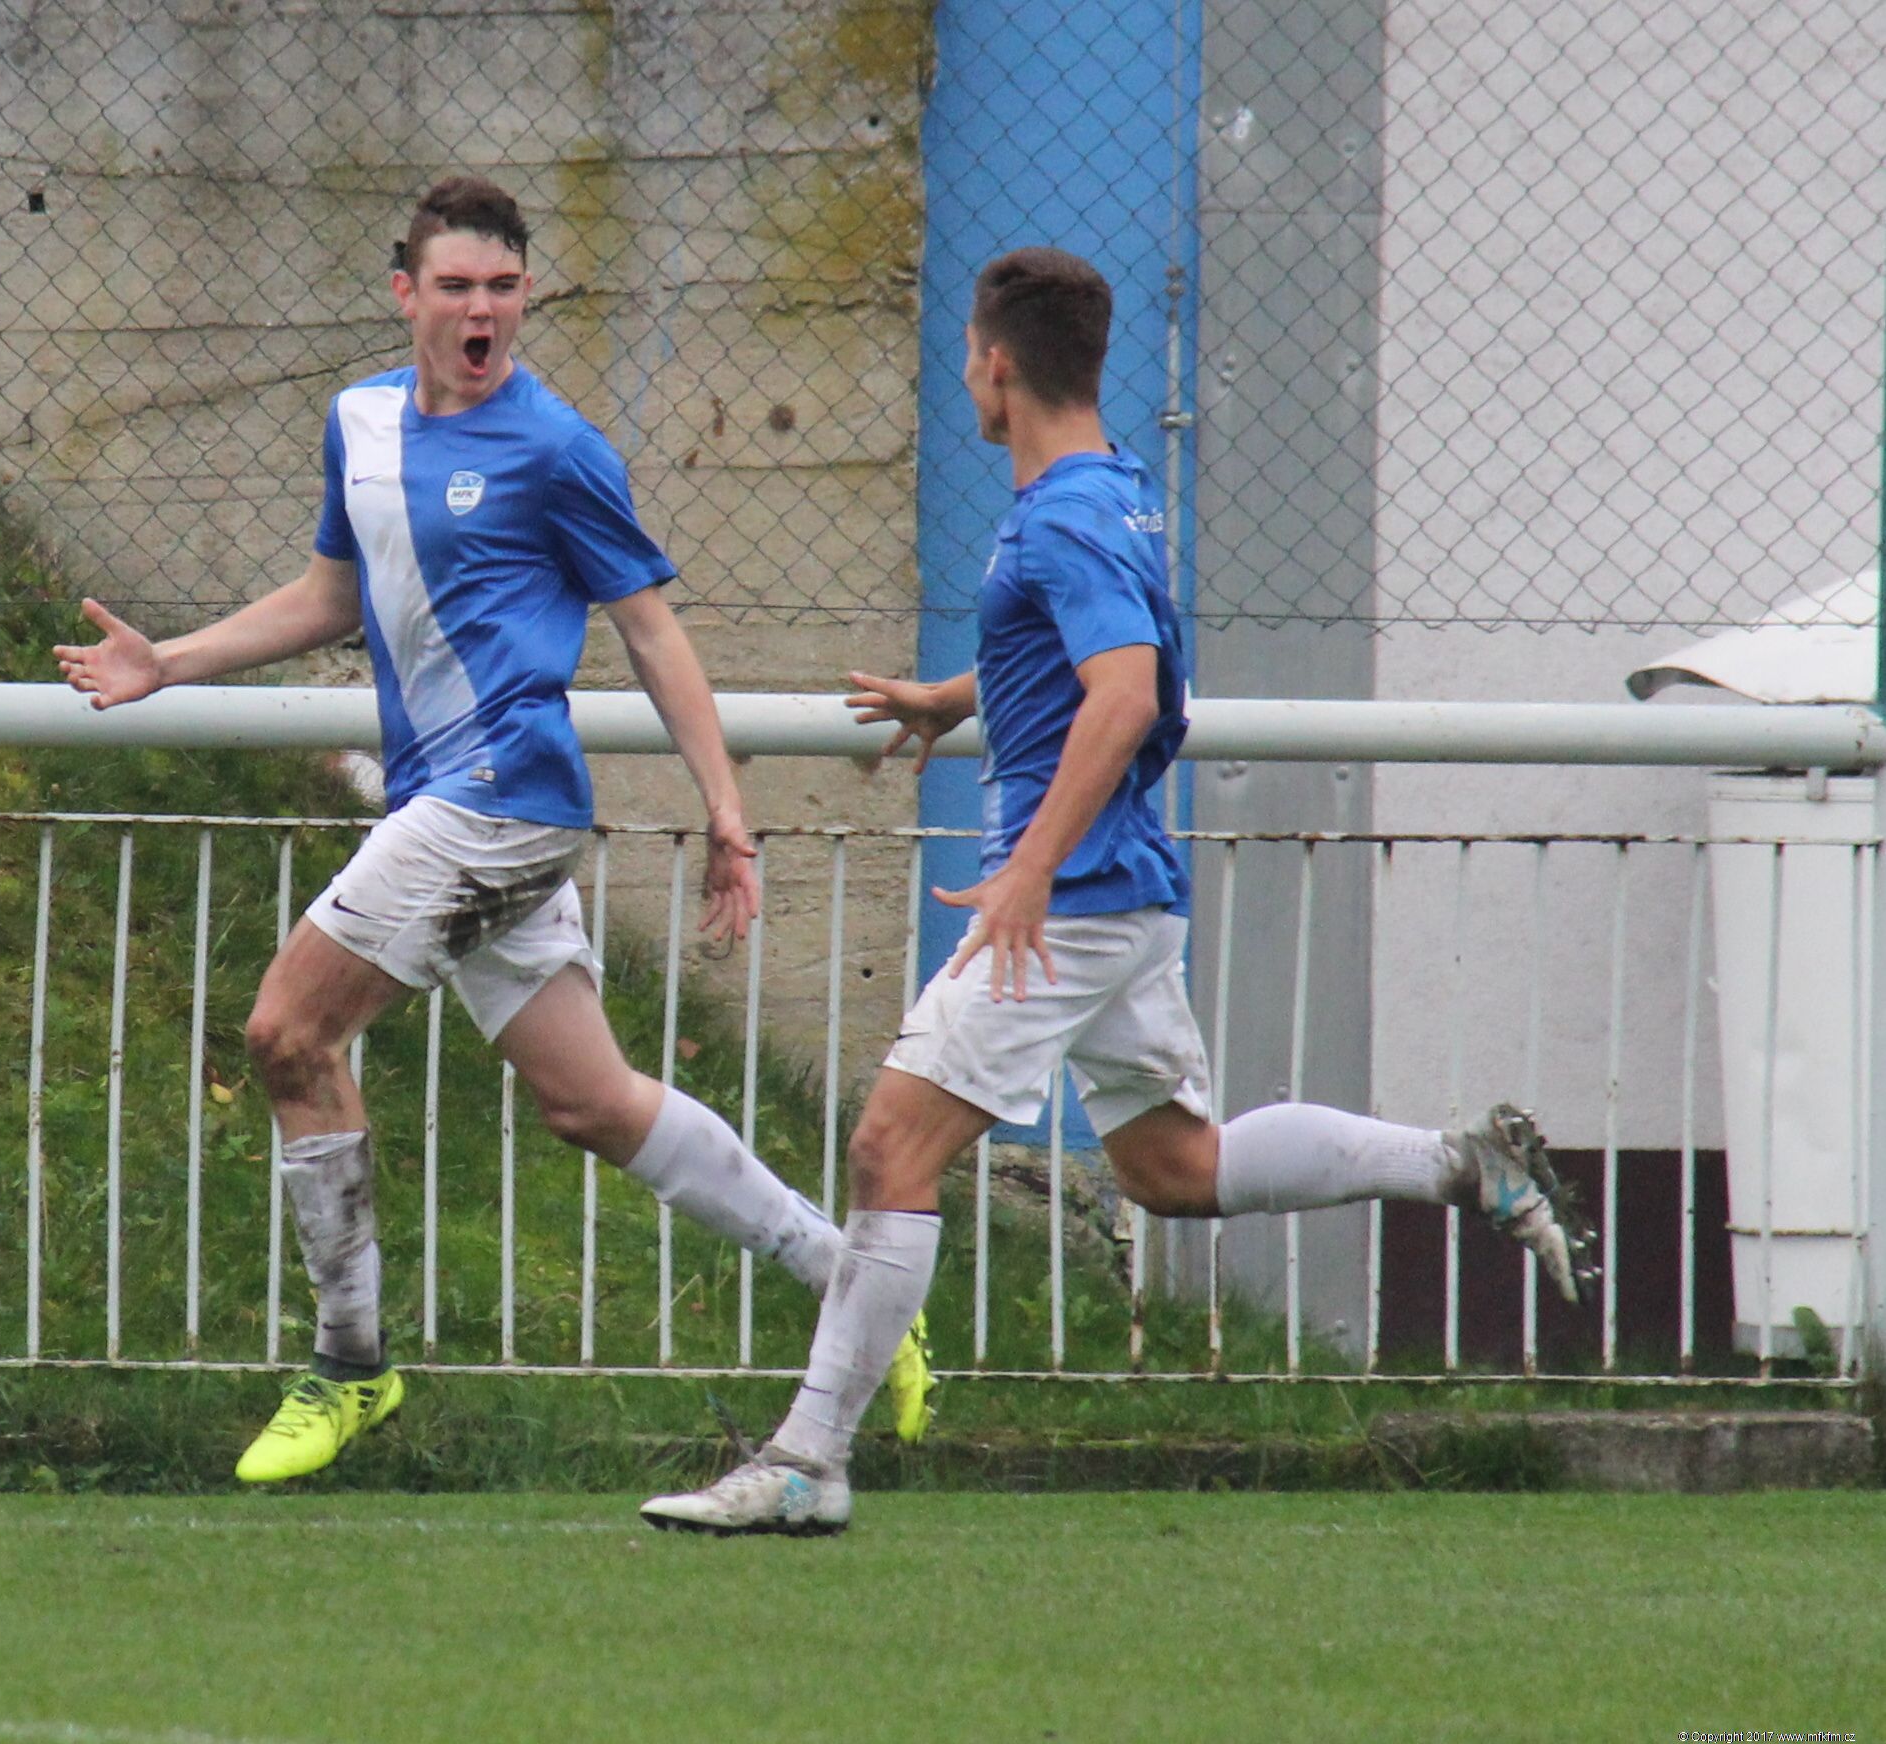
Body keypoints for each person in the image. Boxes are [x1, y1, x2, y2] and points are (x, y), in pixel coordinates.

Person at [640, 246, 1600, 1536]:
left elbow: (1129, 693)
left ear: (994, 365)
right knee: (1174, 1167)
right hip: (1122, 894)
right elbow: (1088, 646)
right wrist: (955, 696)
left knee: (887, 1151)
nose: (965, 377)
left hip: (1072, 902)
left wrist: (1026, 870)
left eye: (966, 357)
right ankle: (1457, 1165)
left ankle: (809, 1461)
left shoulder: (1066, 516)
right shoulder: (1115, 491)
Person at [55, 175, 932, 1482]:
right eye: (456, 286)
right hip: (449, 804)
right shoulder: (357, 421)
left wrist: (726, 811)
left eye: (504, 287)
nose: (482, 310)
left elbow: (652, 634)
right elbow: (332, 595)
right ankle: (856, 1286)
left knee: (288, 1033)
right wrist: (166, 661)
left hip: (501, 798)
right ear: (405, 294)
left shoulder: (557, 448)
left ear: (526, 297)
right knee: (591, 1102)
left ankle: (350, 1365)